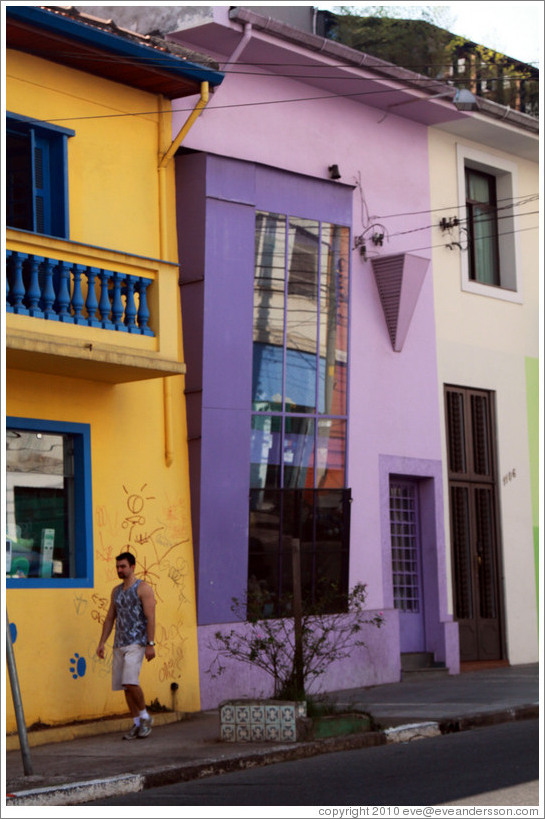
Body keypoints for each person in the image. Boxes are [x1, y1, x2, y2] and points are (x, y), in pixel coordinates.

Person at [97, 551, 156, 739]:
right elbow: (109, 618)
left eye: (123, 566)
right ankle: (137, 722)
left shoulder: (143, 588)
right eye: (117, 567)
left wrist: (150, 644)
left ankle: (145, 716)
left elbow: (150, 618)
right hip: (119, 643)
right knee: (125, 685)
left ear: (132, 567)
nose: (119, 570)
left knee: (131, 681)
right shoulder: (116, 591)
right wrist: (102, 642)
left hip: (137, 642)